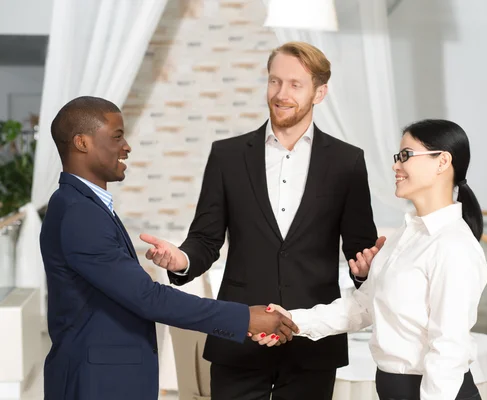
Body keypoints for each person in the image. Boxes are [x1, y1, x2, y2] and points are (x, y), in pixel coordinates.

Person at [140, 41, 385, 400]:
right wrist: (182, 259)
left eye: (295, 85)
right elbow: (206, 239)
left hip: (312, 343)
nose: (281, 94)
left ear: (320, 92)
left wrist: (364, 271)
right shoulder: (227, 156)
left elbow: (359, 249)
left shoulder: (347, 163)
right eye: (274, 82)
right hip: (238, 336)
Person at [40, 96, 297, 400]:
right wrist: (246, 318)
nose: (127, 147)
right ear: (82, 143)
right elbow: (147, 298)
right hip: (97, 383)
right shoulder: (79, 212)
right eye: (117, 136)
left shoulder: (82, 204)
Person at [254, 119, 487, 400]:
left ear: (442, 162)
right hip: (395, 388)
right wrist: (290, 320)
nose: (396, 165)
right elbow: (361, 306)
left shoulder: (453, 246)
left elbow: (449, 349)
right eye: (397, 156)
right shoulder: (406, 235)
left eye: (406, 156)